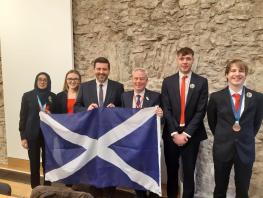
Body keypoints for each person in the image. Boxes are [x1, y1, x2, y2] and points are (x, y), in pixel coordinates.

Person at [207, 59, 263, 198]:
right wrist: (224, 136)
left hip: (245, 149)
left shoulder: (257, 98)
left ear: (245, 75)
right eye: (233, 70)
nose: (237, 74)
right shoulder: (216, 97)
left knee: (243, 190)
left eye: (241, 71)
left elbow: (256, 123)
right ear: (226, 75)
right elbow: (212, 122)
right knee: (220, 189)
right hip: (222, 148)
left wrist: (245, 136)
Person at [161, 47, 208, 198]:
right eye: (182, 58)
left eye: (188, 58)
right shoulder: (168, 82)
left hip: (191, 135)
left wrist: (186, 134)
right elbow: (166, 108)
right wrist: (175, 133)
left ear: (193, 60)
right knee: (172, 172)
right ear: (177, 60)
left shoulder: (201, 82)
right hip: (171, 135)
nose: (185, 62)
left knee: (189, 173)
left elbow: (201, 111)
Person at [74, 57, 124, 198]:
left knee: (109, 170)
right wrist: (86, 109)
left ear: (109, 70)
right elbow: (76, 107)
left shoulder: (118, 87)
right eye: (98, 69)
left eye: (104, 69)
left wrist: (116, 109)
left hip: (110, 138)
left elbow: (124, 109)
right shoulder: (84, 87)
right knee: (93, 171)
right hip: (91, 137)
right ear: (94, 70)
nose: (101, 72)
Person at [121, 68, 163, 198]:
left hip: (149, 143)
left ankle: (154, 194)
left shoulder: (156, 96)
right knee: (136, 172)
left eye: (141, 79)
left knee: (151, 170)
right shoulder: (124, 96)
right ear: (132, 79)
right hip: (132, 143)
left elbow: (162, 120)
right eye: (136, 78)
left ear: (146, 80)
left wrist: (161, 115)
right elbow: (121, 117)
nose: (138, 81)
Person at [19, 72, 56, 189]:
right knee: (34, 164)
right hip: (32, 135)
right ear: (36, 81)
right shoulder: (27, 95)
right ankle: (35, 189)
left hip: (48, 135)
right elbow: (23, 117)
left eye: (45, 80)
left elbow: (58, 115)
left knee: (48, 164)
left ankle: (47, 188)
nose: (42, 81)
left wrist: (52, 114)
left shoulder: (53, 96)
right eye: (40, 79)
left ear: (48, 82)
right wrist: (23, 136)